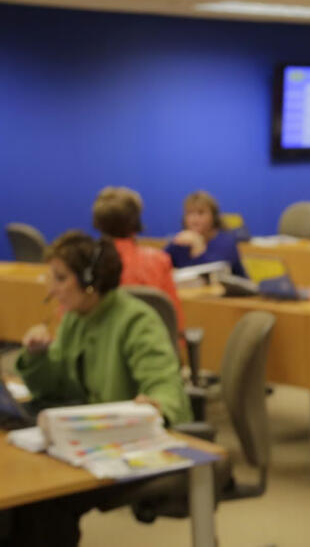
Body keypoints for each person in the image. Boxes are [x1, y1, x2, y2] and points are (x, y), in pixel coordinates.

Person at [5, 231, 191, 546]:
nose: (52, 290)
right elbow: (56, 385)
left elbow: (165, 385)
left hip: (118, 445)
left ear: (91, 280)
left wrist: (157, 404)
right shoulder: (76, 318)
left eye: (60, 279)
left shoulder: (136, 321)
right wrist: (37, 356)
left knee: (40, 503)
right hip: (84, 438)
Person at [92, 186, 184, 343]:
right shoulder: (159, 261)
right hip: (153, 351)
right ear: (135, 222)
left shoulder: (86, 261)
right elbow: (175, 322)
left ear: (99, 223)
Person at [164, 190, 247, 278]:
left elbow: (213, 277)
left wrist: (197, 246)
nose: (195, 219)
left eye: (201, 213)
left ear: (213, 217)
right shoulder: (181, 241)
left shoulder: (226, 242)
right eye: (190, 213)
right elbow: (161, 262)